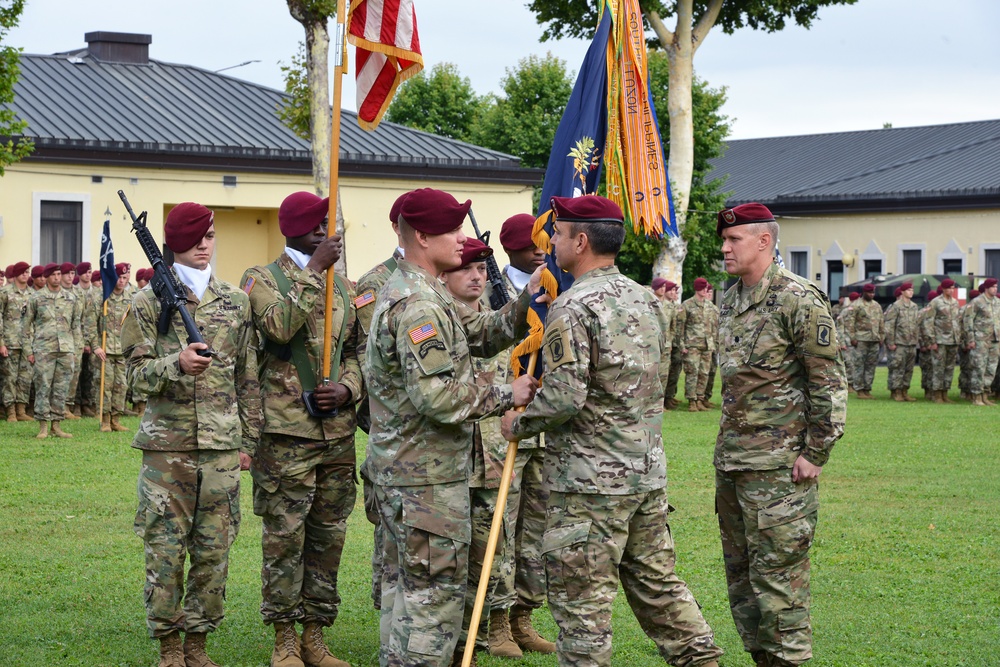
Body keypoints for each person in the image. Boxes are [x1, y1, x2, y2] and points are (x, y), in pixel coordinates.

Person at [500, 195, 723, 667]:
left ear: (580, 241)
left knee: (583, 606)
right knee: (658, 584)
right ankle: (702, 660)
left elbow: (564, 398)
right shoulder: (645, 298)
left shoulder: (574, 307)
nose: (551, 244)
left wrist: (517, 421)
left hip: (589, 484)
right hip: (644, 474)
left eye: (558, 234)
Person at [364, 187, 540, 667]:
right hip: (425, 481)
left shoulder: (418, 289)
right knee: (432, 611)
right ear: (423, 236)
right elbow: (438, 397)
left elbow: (475, 335)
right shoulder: (418, 304)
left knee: (405, 603)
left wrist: (527, 303)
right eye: (455, 231)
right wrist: (509, 393)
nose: (464, 241)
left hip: (408, 476)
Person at [121, 202, 261, 667]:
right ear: (176, 242)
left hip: (221, 449)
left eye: (211, 235)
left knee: (213, 552)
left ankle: (198, 646)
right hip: (168, 449)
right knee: (164, 550)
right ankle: (169, 647)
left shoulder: (235, 301)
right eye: (196, 236)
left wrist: (249, 444)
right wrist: (174, 364)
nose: (205, 244)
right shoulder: (145, 303)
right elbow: (134, 378)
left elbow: (249, 379)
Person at [714, 203, 847, 667]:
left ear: (764, 242)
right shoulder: (728, 299)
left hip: (780, 470)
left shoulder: (799, 298)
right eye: (724, 240)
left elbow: (827, 380)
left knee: (780, 582)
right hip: (734, 463)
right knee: (742, 580)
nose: (724, 247)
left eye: (734, 240)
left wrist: (816, 452)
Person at [242, 191, 361, 667]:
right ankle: (285, 638)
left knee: (328, 537)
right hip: (286, 435)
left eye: (327, 223)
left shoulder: (346, 286)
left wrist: (350, 389)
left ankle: (315, 633)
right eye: (314, 223)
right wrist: (313, 270)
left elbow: (358, 351)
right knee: (285, 538)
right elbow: (278, 327)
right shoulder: (261, 279)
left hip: (336, 432)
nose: (323, 230)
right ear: (292, 226)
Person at [439, 237, 519, 657]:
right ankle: (452, 640)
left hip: (491, 454)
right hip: (448, 458)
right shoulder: (435, 321)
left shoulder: (494, 321)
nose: (476, 277)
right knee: (448, 556)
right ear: (444, 274)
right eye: (466, 268)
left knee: (495, 547)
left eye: (482, 269)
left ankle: (492, 626)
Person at [490, 212, 556, 656]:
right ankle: (495, 622)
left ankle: (523, 616)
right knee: (500, 527)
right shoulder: (489, 289)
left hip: (543, 426)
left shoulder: (554, 289)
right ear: (510, 247)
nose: (539, 249)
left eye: (543, 243)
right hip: (502, 428)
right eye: (529, 244)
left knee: (535, 528)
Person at [353, 191, 408, 615]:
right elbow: (373, 359)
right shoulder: (376, 282)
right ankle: (387, 609)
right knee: (391, 522)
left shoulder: (442, 276)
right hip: (393, 420)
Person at [23, 263, 80, 439]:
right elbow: (25, 327)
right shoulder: (36, 298)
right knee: (43, 386)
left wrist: (75, 349)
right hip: (43, 350)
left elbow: (76, 325)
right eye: (53, 274)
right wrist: (28, 351)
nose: (57, 277)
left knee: (61, 388)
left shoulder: (71, 298)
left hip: (65, 349)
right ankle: (42, 426)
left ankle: (57, 424)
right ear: (46, 277)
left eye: (58, 274)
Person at [93, 263, 132, 432]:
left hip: (123, 349)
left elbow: (135, 325)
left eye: (124, 278)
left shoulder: (131, 298)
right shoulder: (103, 298)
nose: (121, 281)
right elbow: (90, 324)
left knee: (121, 385)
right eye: (119, 278)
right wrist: (96, 346)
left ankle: (116, 419)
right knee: (105, 386)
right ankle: (105, 421)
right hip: (105, 349)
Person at [1, 261, 34, 422]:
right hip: (10, 341)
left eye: (27, 272)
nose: (25, 275)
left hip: (27, 343)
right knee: (10, 378)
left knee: (25, 377)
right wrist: (1, 342)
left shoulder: (32, 294)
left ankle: (21, 410)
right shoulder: (5, 292)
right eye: (22, 272)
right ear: (16, 274)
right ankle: (11, 411)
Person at [680, 276, 717, 411]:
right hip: (692, 344)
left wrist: (713, 344)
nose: (705, 290)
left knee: (704, 373)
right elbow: (681, 327)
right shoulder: (687, 305)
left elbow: (713, 326)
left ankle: (700, 399)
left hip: (707, 345)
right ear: (697, 288)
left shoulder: (709, 306)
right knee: (692, 372)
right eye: (702, 287)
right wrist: (682, 345)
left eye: (706, 287)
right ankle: (692, 400)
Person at [962, 278, 1000, 406]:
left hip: (995, 340)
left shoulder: (997, 302)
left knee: (991, 369)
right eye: (993, 286)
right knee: (979, 367)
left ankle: (985, 395)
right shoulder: (977, 302)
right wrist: (970, 339)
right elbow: (968, 320)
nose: (996, 289)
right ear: (986, 288)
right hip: (980, 340)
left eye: (996, 286)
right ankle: (976, 396)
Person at [844, 283, 884, 399]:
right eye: (869, 293)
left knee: (871, 366)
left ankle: (867, 389)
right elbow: (850, 322)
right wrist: (852, 337)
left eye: (873, 293)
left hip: (874, 339)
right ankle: (860, 390)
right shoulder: (857, 305)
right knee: (859, 365)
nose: (872, 294)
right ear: (864, 293)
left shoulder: (876, 305)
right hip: (861, 339)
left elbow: (881, 322)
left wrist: (881, 336)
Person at [884, 282, 919, 401]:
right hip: (899, 342)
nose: (911, 292)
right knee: (897, 367)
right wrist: (891, 342)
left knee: (909, 369)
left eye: (912, 290)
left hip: (911, 342)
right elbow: (889, 325)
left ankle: (905, 391)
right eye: (908, 290)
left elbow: (916, 324)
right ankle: (896, 391)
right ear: (903, 292)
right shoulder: (896, 306)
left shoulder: (914, 306)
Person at [928, 278, 961, 403]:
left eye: (953, 288)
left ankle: (945, 393)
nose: (951, 290)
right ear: (943, 289)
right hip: (940, 340)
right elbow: (928, 322)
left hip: (953, 340)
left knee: (949, 367)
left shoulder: (955, 302)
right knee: (938, 367)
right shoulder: (935, 302)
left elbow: (957, 321)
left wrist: (958, 337)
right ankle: (937, 394)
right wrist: (932, 341)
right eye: (949, 288)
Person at [918, 290, 939, 400]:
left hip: (936, 343)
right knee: (927, 369)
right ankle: (927, 391)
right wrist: (923, 344)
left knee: (935, 369)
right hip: (926, 346)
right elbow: (919, 329)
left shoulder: (938, 311)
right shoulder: (923, 312)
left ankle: (934, 391)